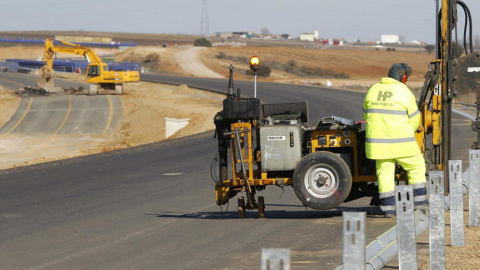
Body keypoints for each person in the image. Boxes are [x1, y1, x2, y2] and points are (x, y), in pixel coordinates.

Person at [363, 63, 428, 217]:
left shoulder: (373, 89)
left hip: (378, 145)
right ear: (403, 77)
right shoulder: (403, 91)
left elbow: (366, 114)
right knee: (416, 166)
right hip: (401, 143)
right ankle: (420, 203)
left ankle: (388, 209)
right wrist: (410, 131)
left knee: (385, 173)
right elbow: (414, 119)